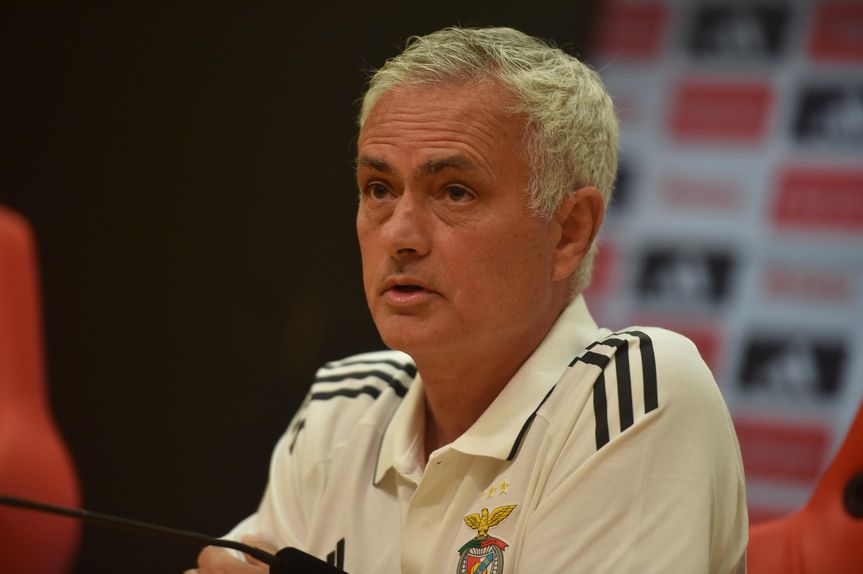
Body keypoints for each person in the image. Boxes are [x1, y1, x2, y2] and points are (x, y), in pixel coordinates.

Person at [188, 26, 748, 574]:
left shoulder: (632, 393)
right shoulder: (343, 407)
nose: (399, 235)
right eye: (379, 189)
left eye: (455, 192)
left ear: (568, 231)